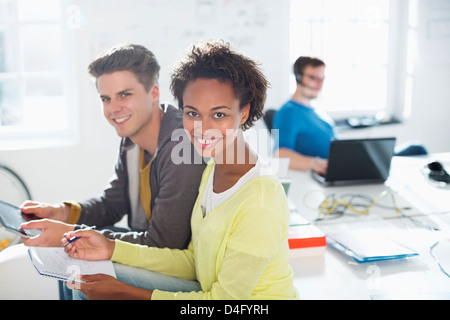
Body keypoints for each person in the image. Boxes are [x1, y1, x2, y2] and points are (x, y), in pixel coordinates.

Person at [63, 40, 299, 300]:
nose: (202, 128)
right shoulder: (213, 169)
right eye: (193, 113)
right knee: (85, 277)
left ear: (243, 113)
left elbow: (223, 302)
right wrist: (111, 249)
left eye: (218, 115)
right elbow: (193, 261)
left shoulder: (260, 199)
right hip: (207, 291)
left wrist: (126, 292)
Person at [20, 44, 205, 250]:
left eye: (124, 95)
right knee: (71, 254)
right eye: (106, 99)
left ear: (153, 94)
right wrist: (61, 212)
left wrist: (70, 234)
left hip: (179, 265)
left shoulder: (182, 146)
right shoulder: (131, 140)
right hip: (152, 249)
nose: (114, 109)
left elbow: (163, 244)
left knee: (74, 252)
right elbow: (112, 205)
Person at [272, 56, 333, 175]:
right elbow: (280, 154)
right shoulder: (289, 112)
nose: (319, 84)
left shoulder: (317, 110)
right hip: (315, 178)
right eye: (313, 78)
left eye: (322, 79)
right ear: (299, 77)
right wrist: (315, 163)